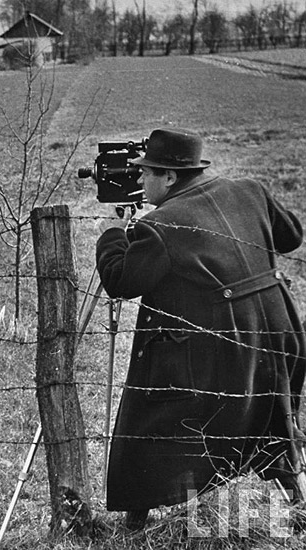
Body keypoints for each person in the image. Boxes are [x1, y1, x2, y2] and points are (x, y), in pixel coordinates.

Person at [95, 128, 306, 530]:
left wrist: (112, 232)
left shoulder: (160, 226)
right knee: (273, 414)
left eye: (146, 173)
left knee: (152, 410)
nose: (139, 180)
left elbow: (121, 281)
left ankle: (136, 514)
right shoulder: (250, 189)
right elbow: (292, 236)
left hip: (226, 343)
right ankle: (295, 499)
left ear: (170, 177)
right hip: (281, 333)